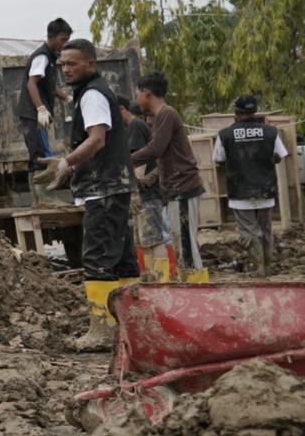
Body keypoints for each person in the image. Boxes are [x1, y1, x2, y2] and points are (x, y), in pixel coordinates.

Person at [35, 39, 139, 350]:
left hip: (103, 187)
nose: (66, 69)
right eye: (63, 64)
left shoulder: (93, 94)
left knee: (96, 259)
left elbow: (96, 140)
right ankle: (132, 324)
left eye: (73, 64)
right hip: (113, 186)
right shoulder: (93, 91)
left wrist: (67, 162)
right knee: (121, 259)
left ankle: (102, 330)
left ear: (90, 64)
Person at [128, 72, 206, 283]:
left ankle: (196, 294)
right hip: (176, 189)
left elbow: (156, 148)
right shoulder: (162, 117)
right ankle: (191, 289)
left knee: (186, 248)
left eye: (137, 94)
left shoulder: (166, 114)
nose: (136, 99)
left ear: (147, 92)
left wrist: (125, 160)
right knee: (182, 245)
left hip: (183, 188)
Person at [214, 95, 288, 276]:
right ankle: (267, 266)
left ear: (236, 112)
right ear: (254, 111)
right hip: (266, 190)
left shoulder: (225, 135)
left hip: (240, 192)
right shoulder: (271, 132)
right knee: (265, 229)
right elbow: (279, 155)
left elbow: (219, 160)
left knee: (250, 232)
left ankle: (258, 269)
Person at [13, 18, 73, 191]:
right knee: (41, 155)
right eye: (63, 40)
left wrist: (66, 98)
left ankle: (41, 199)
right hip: (33, 113)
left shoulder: (50, 57)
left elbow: (49, 85)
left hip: (32, 113)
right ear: (51, 37)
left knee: (37, 154)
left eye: (67, 40)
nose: (65, 44)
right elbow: (31, 84)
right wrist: (40, 108)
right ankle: (45, 199)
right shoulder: (43, 56)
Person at [124, 102, 172, 281]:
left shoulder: (135, 126)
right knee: (144, 241)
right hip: (145, 193)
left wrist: (134, 191)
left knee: (154, 240)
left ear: (122, 110)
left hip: (147, 193)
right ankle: (151, 278)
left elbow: (140, 160)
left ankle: (161, 281)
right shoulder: (138, 126)